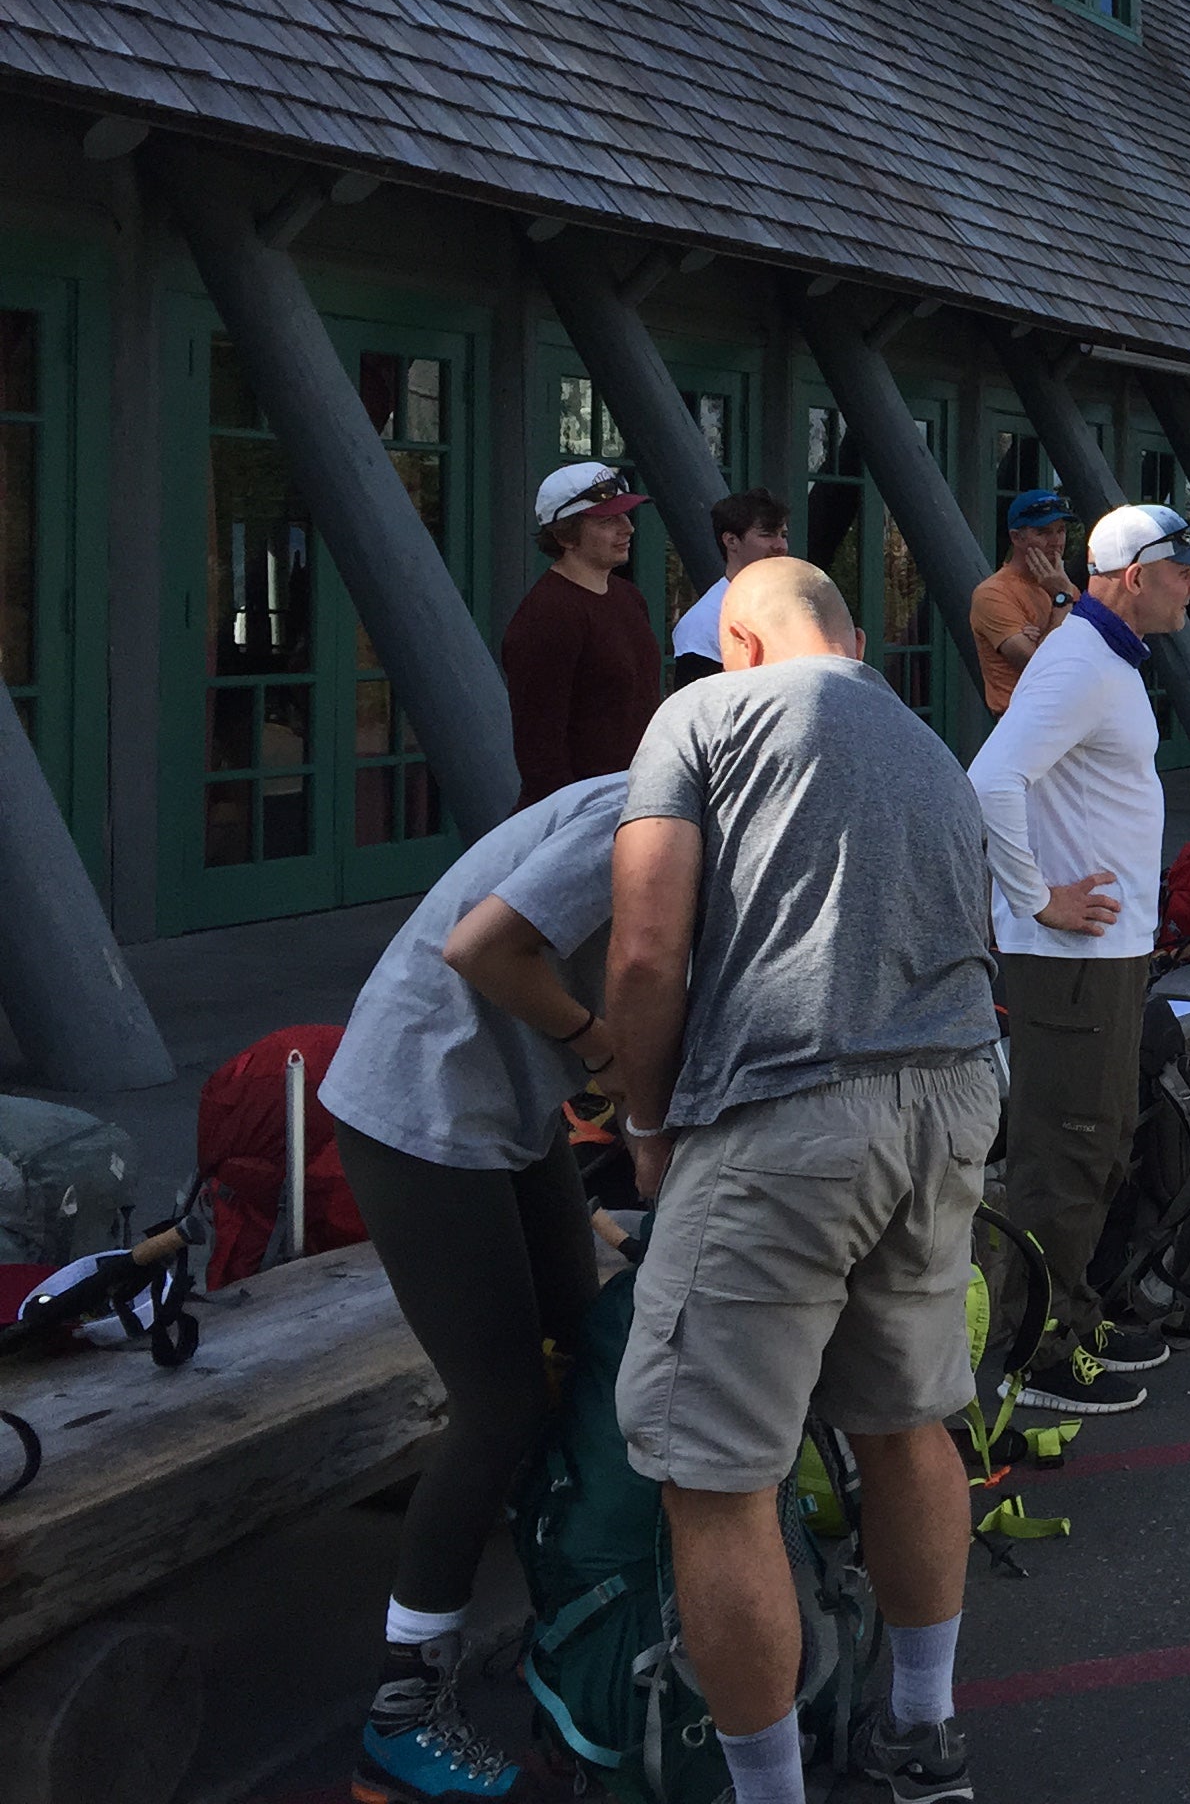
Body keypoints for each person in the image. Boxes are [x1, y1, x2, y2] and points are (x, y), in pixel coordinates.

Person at [605, 558, 1005, 1804]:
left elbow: (645, 947)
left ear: (741, 638)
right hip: (950, 1097)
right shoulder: (927, 745)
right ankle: (923, 1733)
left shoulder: (706, 713)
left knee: (715, 1475)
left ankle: (767, 1792)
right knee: (908, 1421)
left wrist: (644, 1114)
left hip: (789, 1113)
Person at [322, 772, 628, 1802]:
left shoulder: (704, 815)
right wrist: (597, 1046)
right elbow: (481, 948)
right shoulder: (646, 817)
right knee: (498, 1405)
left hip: (509, 1107)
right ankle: (398, 1723)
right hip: (419, 1098)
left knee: (582, 1347)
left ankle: (572, 1630)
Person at [969, 501, 1190, 1411]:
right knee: (1067, 1150)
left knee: (1105, 1134)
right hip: (1067, 954)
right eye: (1186, 571)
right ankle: (1035, 1358)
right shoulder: (1079, 660)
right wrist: (1037, 895)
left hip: (1103, 951)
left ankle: (1072, 1318)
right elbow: (990, 779)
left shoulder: (1104, 658)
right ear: (1134, 575)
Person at [502, 461, 659, 809]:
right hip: (583, 814)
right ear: (564, 535)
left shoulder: (629, 597)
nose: (627, 528)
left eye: (626, 515)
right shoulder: (547, 616)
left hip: (637, 798)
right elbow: (540, 750)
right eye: (607, 520)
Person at [969, 487, 1078, 716]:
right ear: (1016, 537)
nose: (1056, 542)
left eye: (1061, 531)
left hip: (1070, 716)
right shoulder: (993, 593)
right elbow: (1039, 666)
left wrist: (1046, 635)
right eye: (1043, 532)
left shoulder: (1067, 589)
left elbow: (1092, 652)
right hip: (1023, 719)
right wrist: (1061, 602)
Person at [671, 488, 792, 688]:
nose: (781, 546)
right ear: (731, 540)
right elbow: (700, 711)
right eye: (767, 535)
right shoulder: (703, 622)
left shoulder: (798, 606)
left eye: (783, 535)